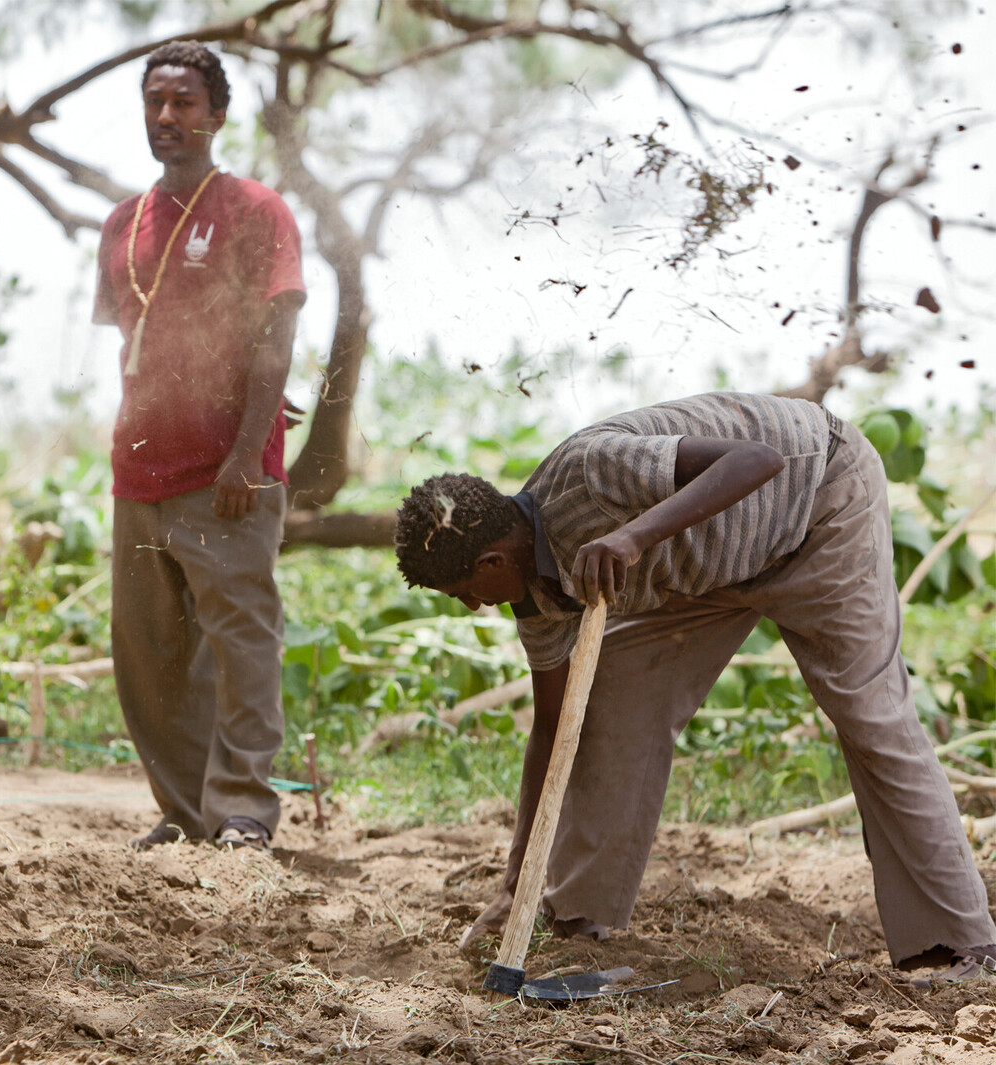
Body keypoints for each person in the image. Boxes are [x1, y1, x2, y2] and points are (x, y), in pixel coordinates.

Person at [393, 391, 996, 979]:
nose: (473, 605)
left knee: (871, 716)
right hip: (709, 563)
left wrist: (632, 536)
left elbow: (758, 461)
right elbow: (552, 732)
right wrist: (514, 884)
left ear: (493, 562)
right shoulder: (539, 600)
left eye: (465, 591)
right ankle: (577, 920)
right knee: (611, 700)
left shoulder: (590, 473)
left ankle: (953, 944)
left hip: (817, 507)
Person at [92, 41, 307, 853]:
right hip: (137, 470)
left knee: (241, 642)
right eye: (155, 101)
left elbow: (275, 336)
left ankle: (244, 807)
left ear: (217, 115)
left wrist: (247, 455)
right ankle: (187, 811)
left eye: (184, 102)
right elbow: (132, 338)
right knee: (148, 658)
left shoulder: (256, 210)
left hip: (228, 474)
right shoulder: (123, 222)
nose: (167, 116)